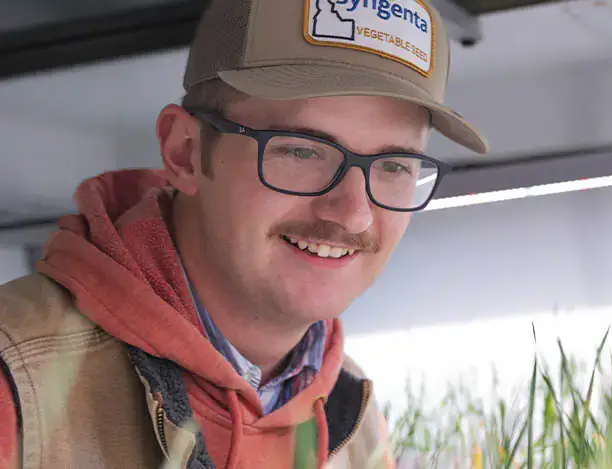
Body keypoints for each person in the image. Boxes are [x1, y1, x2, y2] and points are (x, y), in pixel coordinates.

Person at [0, 0, 488, 467]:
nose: (354, 214)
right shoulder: (15, 385)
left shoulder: (347, 408)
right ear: (185, 153)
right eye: (302, 150)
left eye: (395, 165)